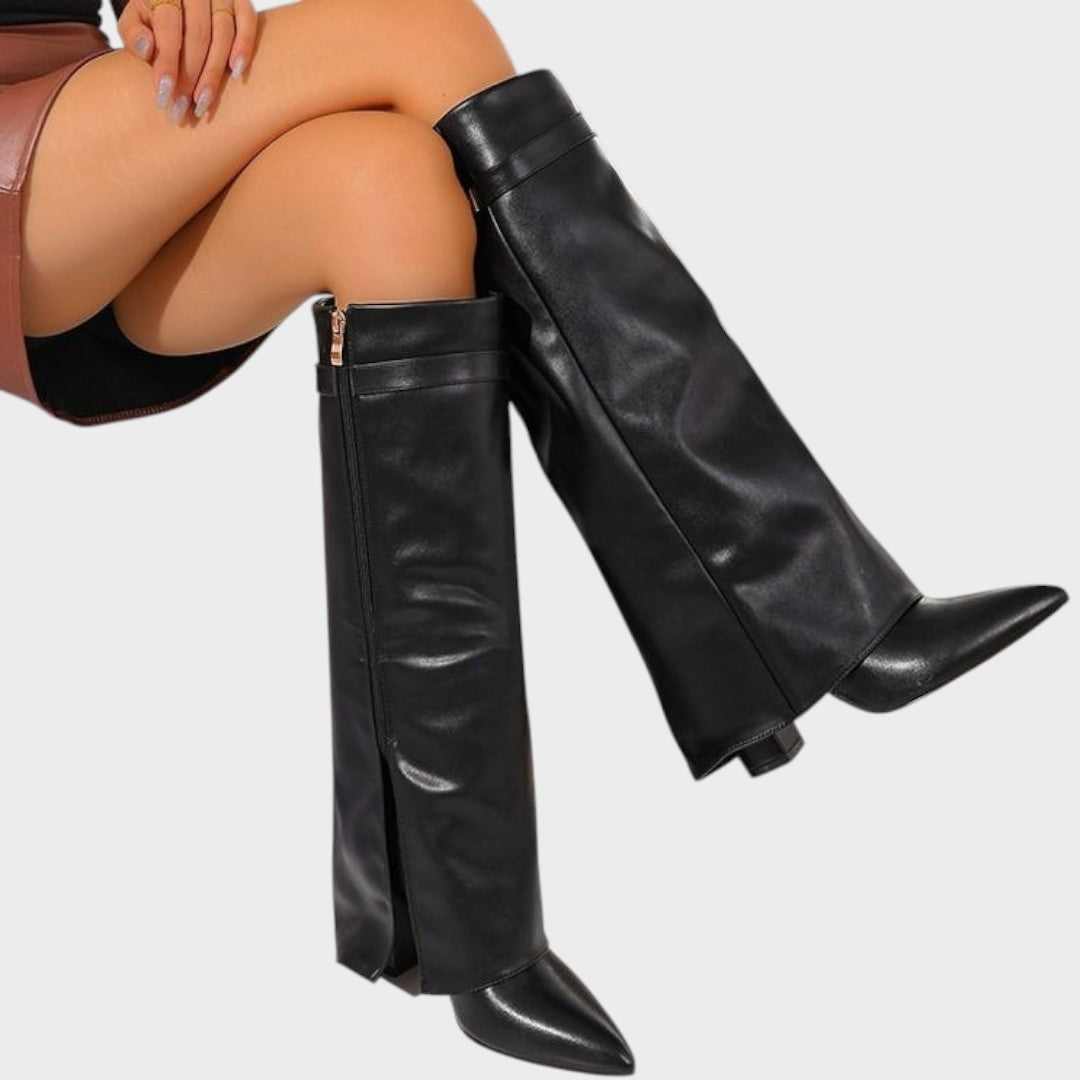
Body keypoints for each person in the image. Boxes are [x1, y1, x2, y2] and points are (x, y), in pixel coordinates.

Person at [0, 1, 1068, 1073]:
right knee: (424, 31)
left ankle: (470, 931)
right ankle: (801, 609)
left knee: (388, 191)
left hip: (88, 150)